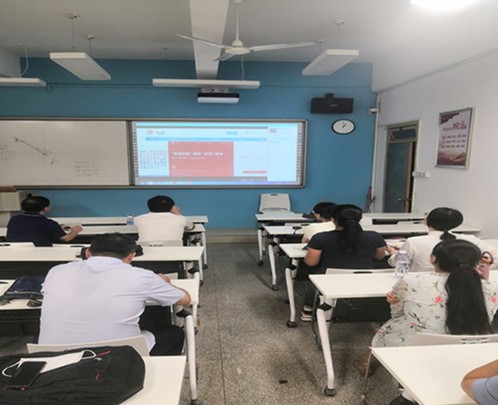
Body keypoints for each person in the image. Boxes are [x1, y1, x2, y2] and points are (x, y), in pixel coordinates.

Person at [361, 239, 498, 405]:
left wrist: (394, 303)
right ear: (477, 262)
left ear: (433, 259)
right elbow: (487, 319)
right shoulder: (491, 288)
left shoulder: (412, 281)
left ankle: (366, 363)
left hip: (414, 345)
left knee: (390, 327)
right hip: (469, 348)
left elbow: (397, 315)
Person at [39, 233, 191, 355]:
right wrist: (165, 282)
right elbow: (185, 299)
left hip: (52, 354)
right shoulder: (142, 276)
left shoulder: (56, 271)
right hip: (118, 355)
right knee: (175, 333)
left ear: (87, 252)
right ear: (131, 256)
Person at [300, 204, 386, 321]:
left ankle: (309, 310)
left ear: (333, 220)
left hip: (328, 281)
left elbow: (311, 262)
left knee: (311, 273)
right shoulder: (374, 236)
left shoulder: (320, 238)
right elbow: (380, 256)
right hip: (365, 280)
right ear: (360, 219)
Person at [387, 207, 498, 272]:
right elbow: (495, 257)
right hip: (460, 284)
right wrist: (475, 269)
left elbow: (397, 264)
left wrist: (393, 253)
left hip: (423, 283)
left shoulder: (413, 242)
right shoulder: (470, 240)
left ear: (426, 221)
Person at [6, 195, 82, 246]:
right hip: (41, 251)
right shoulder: (47, 223)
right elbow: (66, 239)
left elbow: (31, 227)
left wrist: (57, 227)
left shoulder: (14, 219)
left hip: (14, 251)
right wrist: (75, 230)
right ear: (45, 208)